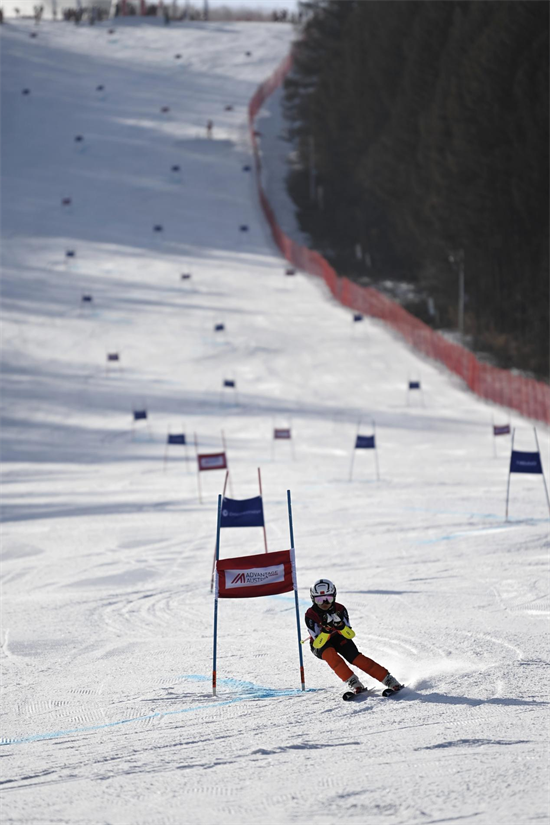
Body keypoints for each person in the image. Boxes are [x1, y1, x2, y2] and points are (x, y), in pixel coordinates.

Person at [305, 579, 403, 695]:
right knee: (329, 654)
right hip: (321, 642)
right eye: (319, 600)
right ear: (313, 599)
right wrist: (326, 630)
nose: (325, 603)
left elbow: (350, 635)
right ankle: (353, 682)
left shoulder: (340, 609)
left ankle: (388, 679)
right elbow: (318, 643)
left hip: (338, 637)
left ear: (334, 596)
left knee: (355, 657)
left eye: (329, 599)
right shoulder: (310, 614)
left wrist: (341, 626)